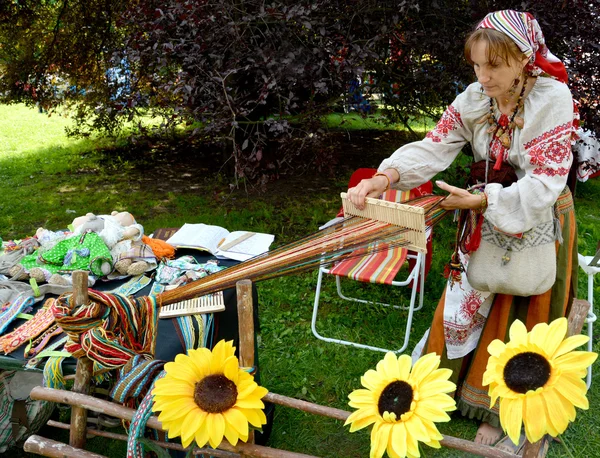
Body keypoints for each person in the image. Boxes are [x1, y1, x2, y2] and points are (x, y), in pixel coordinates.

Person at [346, 10, 578, 448]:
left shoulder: (552, 99)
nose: (482, 76)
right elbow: (434, 146)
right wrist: (385, 177)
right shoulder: (475, 99)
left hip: (534, 213)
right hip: (482, 209)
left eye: (494, 66)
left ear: (524, 59)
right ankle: (447, 388)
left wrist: (487, 200)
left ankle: (506, 407)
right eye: (476, 64)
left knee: (519, 305)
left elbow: (546, 179)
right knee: (467, 295)